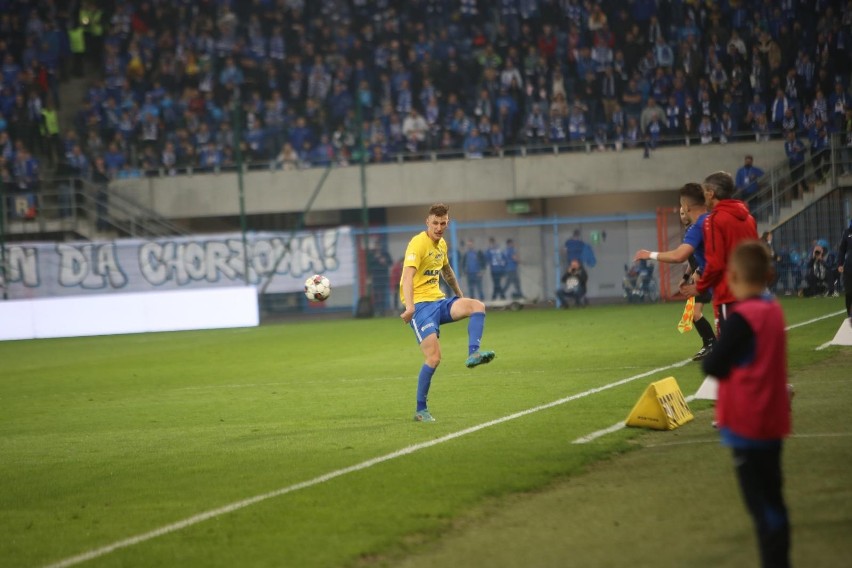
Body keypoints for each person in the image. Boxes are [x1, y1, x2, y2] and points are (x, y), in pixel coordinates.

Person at [702, 240, 791, 568]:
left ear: (734, 276)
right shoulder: (773, 308)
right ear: (768, 274)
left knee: (764, 509)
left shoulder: (742, 318)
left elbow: (712, 365)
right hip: (773, 418)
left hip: (747, 422)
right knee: (774, 499)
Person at [400, 204, 495, 423]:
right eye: (435, 223)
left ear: (447, 223)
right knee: (434, 358)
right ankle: (420, 410)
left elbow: (448, 272)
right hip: (421, 307)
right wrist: (410, 308)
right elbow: (407, 277)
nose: (439, 227)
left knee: (477, 306)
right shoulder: (418, 243)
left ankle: (473, 353)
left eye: (443, 223)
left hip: (439, 301)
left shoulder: (441, 244)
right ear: (427, 222)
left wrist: (460, 296)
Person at [634, 183, 717, 359]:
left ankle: (711, 344)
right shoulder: (716, 219)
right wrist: (693, 274)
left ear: (686, 207)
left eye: (682, 208)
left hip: (722, 285)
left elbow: (679, 255)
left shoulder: (697, 228)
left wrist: (650, 254)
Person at [681, 171, 759, 332]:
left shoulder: (714, 219)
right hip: (752, 292)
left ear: (711, 193)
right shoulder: (748, 218)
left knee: (728, 349)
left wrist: (699, 287)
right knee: (748, 349)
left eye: (704, 192)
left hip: (728, 295)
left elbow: (715, 263)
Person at [839, 220, 852, 325]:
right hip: (849, 267)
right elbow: (842, 250)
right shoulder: (847, 233)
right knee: (848, 292)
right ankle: (849, 313)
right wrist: (840, 264)